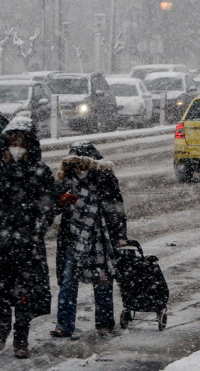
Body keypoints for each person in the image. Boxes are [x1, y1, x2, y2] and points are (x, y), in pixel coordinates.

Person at [0, 117, 56, 359]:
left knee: (25, 292)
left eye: (21, 143)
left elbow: (48, 203)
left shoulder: (39, 171)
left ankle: (21, 337)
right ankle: (2, 328)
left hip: (26, 242)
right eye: (12, 142)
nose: (16, 147)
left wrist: (40, 223)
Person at [50, 141, 128, 338]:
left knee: (102, 281)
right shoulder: (65, 181)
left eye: (83, 164)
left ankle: (104, 323)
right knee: (68, 282)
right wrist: (60, 203)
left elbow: (116, 208)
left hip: (99, 238)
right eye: (76, 164)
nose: (80, 168)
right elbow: (51, 207)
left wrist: (120, 235)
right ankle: (64, 325)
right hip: (72, 239)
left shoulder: (104, 179)